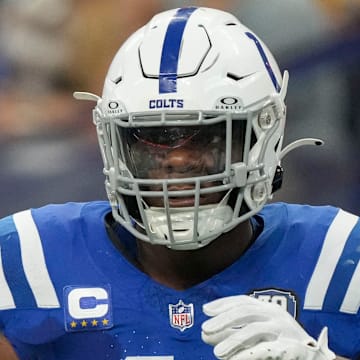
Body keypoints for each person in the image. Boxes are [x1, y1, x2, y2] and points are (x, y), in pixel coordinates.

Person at [0, 6, 358, 360]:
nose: (178, 159)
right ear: (116, 144)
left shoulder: (339, 260)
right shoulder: (29, 259)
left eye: (208, 137)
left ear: (261, 138)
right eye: (153, 137)